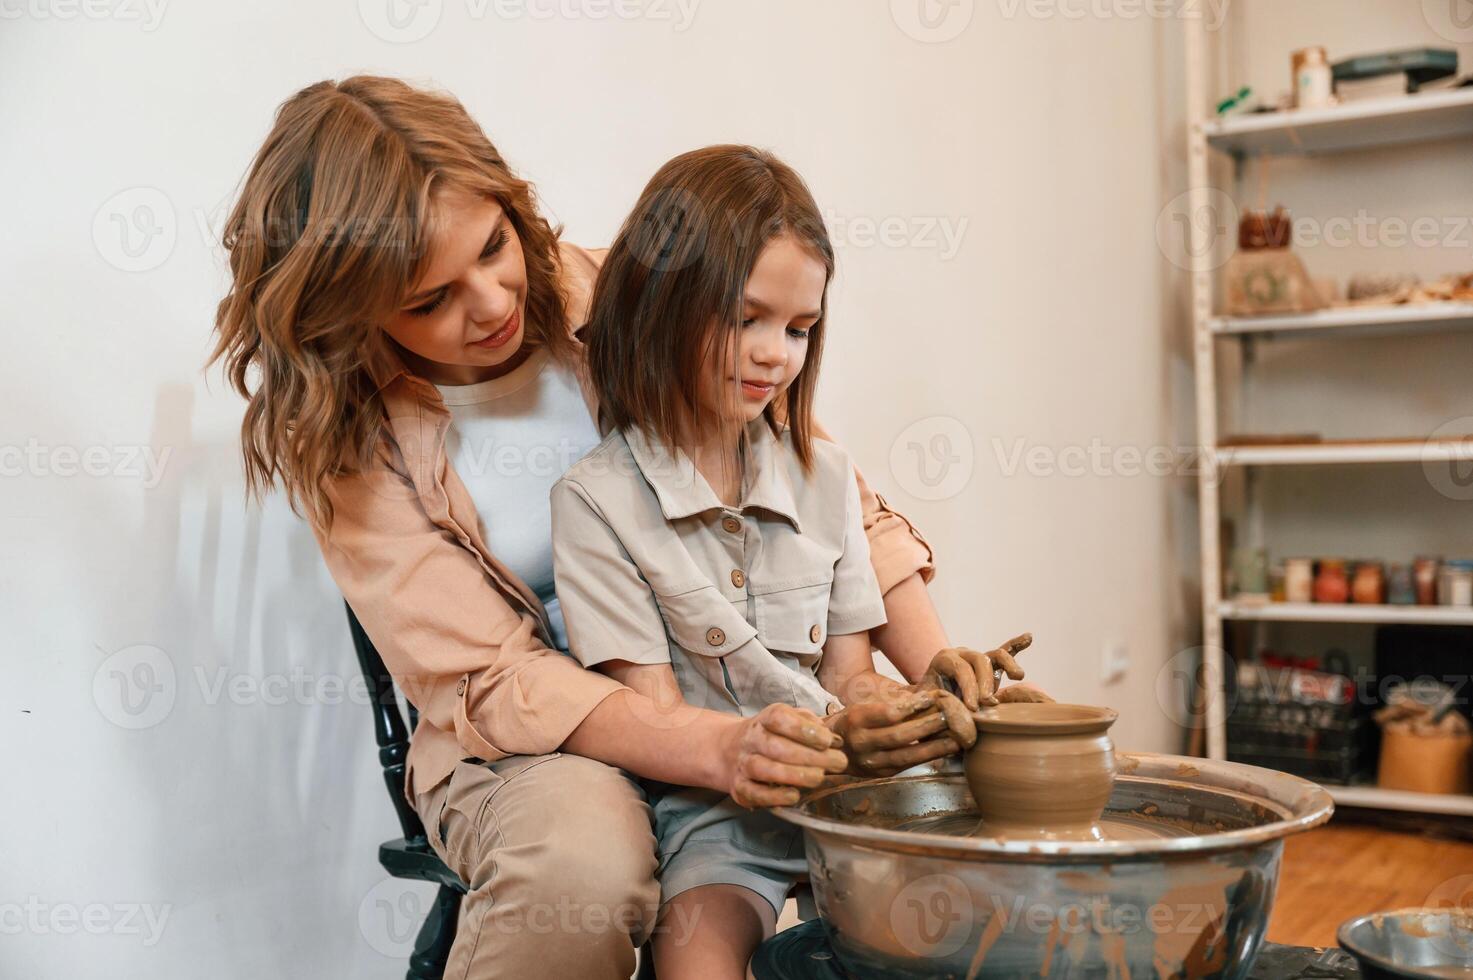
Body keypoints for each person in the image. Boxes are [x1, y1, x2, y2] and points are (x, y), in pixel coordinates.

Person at [211, 76, 1041, 979]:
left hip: (737, 685)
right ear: (349, 309)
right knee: (580, 865)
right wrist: (719, 747)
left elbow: (830, 499)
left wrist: (945, 683)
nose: (490, 303)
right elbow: (495, 681)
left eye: (493, 247)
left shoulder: (628, 289)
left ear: (508, 201)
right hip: (533, 740)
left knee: (983, 842)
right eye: (428, 299)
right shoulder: (348, 441)